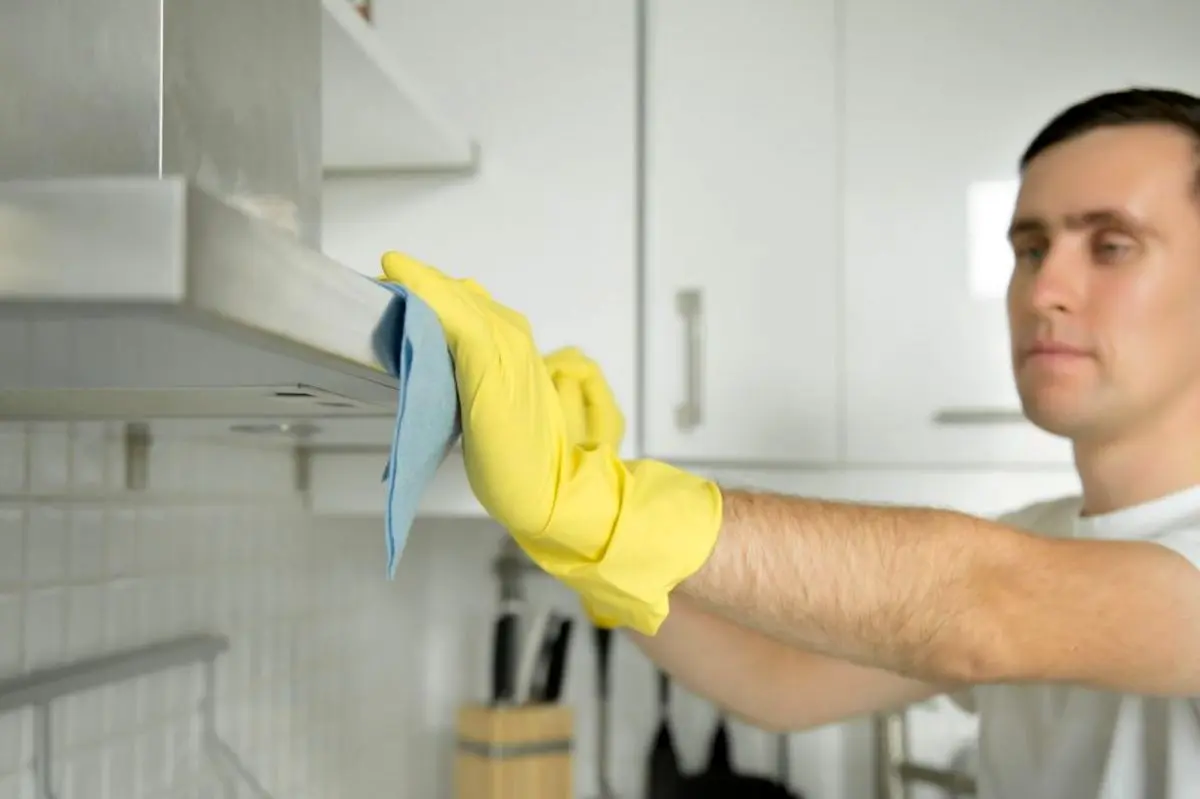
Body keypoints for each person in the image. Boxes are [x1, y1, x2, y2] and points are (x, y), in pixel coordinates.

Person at [381, 86, 1200, 798]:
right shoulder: (1042, 537)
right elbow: (777, 682)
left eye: (1111, 246)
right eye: (1030, 249)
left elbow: (979, 606)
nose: (1044, 288)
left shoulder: (1019, 578)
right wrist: (586, 545)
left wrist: (605, 507)